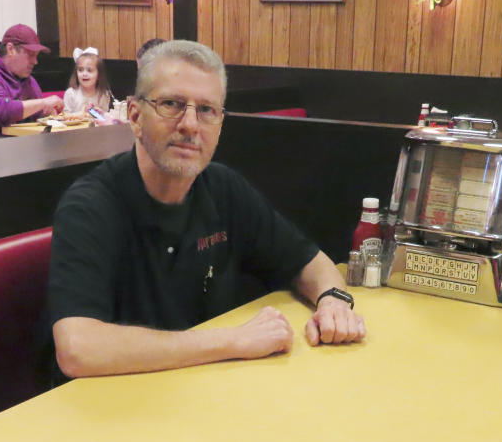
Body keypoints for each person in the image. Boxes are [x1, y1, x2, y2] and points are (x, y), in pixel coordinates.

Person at [48, 40, 366, 380]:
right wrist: (232, 340)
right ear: (135, 116)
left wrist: (333, 300)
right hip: (109, 413)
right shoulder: (90, 206)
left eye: (207, 110)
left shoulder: (223, 187)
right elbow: (78, 349)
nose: (190, 125)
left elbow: (308, 260)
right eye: (171, 104)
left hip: (202, 392)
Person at [0, 24, 64, 141]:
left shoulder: (29, 81)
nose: (35, 61)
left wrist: (47, 113)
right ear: (10, 49)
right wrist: (42, 103)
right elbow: (2, 111)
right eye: (31, 55)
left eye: (36, 56)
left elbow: (36, 118)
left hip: (28, 148)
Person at [64, 47, 113, 114]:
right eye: (80, 70)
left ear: (99, 75)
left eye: (89, 70)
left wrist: (101, 113)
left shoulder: (103, 95)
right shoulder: (71, 94)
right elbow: (65, 117)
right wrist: (82, 113)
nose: (84, 74)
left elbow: (105, 118)